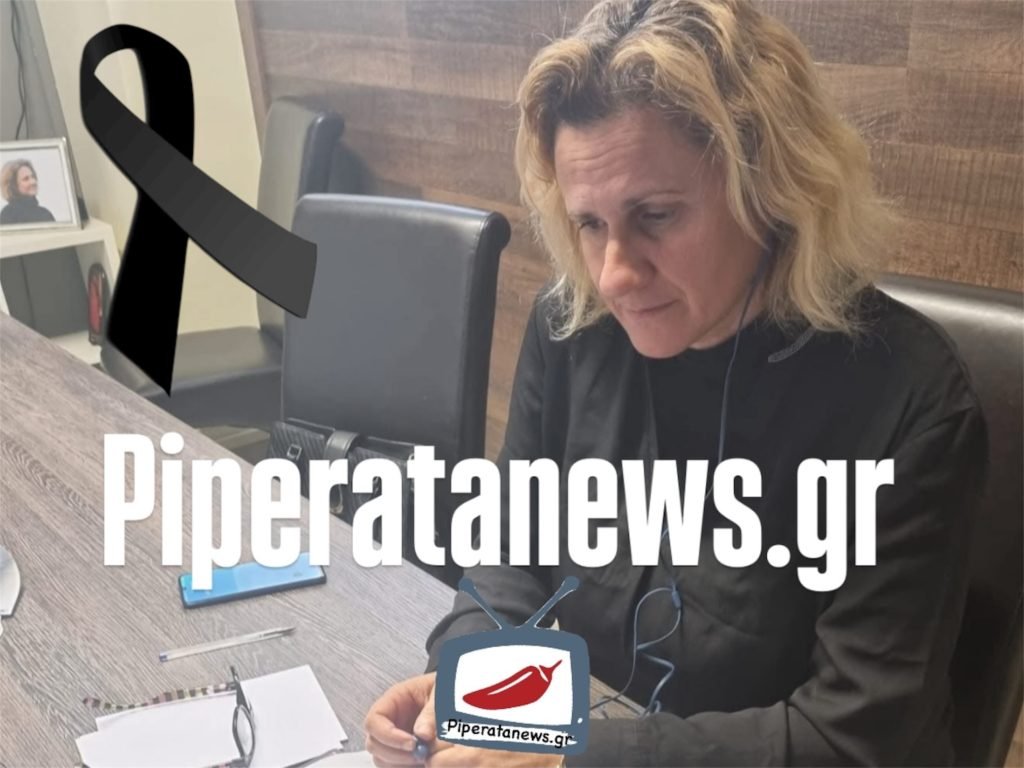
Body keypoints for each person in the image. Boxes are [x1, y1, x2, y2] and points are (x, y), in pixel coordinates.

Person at [364, 0, 988, 765]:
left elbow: (853, 739)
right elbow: (510, 556)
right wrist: (469, 699)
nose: (614, 275)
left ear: (772, 192)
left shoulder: (911, 399)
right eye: (590, 224)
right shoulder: (573, 325)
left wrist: (566, 757)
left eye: (656, 215)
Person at [0, 159, 56, 225]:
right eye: (26, 179)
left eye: (33, 177)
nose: (33, 182)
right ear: (13, 185)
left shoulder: (45, 214)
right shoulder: (7, 215)